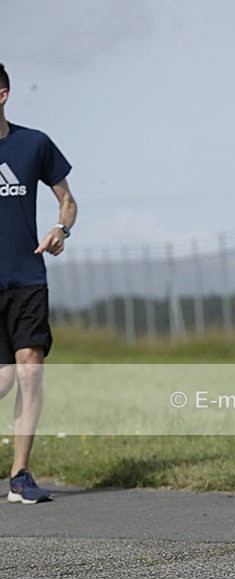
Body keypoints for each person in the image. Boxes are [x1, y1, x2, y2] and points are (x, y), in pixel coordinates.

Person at [0, 63, 77, 503]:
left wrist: (60, 231)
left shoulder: (34, 144)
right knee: (4, 380)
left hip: (27, 277)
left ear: (3, 95)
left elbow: (67, 201)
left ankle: (19, 475)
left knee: (30, 369)